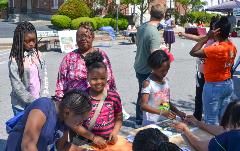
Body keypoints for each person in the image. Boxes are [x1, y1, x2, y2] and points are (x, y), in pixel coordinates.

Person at [6, 90, 92, 151]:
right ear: (67, 112)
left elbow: (62, 146)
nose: (81, 123)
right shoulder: (43, 107)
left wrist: (86, 150)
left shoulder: (65, 120)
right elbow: (28, 146)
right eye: (81, 119)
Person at [189, 16, 237, 125]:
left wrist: (207, 37)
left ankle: (212, 141)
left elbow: (193, 52)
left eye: (213, 29)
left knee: (210, 121)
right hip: (227, 84)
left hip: (214, 86)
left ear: (217, 32)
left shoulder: (216, 49)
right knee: (223, 119)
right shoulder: (232, 46)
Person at [71, 51, 123, 149]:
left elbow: (119, 117)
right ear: (88, 78)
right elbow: (75, 125)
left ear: (107, 77)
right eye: (94, 79)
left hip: (108, 144)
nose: (99, 82)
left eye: (102, 78)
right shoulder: (81, 98)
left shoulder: (113, 96)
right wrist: (94, 138)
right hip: (87, 143)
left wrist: (115, 132)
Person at [55, 22, 116, 100]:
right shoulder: (69, 58)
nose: (83, 39)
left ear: (93, 37)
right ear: (75, 38)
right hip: (75, 105)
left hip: (100, 103)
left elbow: (111, 82)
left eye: (86, 36)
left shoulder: (102, 55)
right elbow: (61, 84)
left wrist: (113, 100)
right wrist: (60, 103)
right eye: (80, 36)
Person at [178, 16, 219, 121]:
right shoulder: (209, 38)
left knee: (209, 99)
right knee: (199, 97)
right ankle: (197, 116)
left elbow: (194, 52)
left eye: (215, 29)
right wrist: (184, 34)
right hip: (201, 72)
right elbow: (197, 38)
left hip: (210, 75)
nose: (212, 31)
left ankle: (210, 121)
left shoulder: (219, 44)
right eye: (211, 28)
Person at [8, 21, 49, 116]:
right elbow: (17, 86)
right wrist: (33, 102)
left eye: (34, 40)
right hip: (22, 106)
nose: (31, 44)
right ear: (20, 40)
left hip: (40, 102)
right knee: (24, 131)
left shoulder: (38, 55)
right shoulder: (15, 60)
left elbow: (44, 77)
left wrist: (44, 97)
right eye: (27, 41)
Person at [134, 4, 165, 125]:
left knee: (141, 93)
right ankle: (143, 119)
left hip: (139, 65)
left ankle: (139, 118)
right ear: (163, 16)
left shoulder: (142, 27)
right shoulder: (154, 33)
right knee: (151, 95)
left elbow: (138, 44)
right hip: (148, 69)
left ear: (151, 13)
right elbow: (155, 57)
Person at [140, 50, 185, 126]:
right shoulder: (148, 83)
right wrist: (162, 112)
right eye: (162, 71)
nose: (165, 73)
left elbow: (165, 102)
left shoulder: (166, 81)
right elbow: (143, 105)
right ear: (153, 68)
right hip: (151, 123)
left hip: (164, 121)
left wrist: (178, 112)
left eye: (167, 70)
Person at [173, 100, 240, 151]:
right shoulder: (233, 133)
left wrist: (185, 129)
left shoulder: (231, 137)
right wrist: (198, 123)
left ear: (230, 118)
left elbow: (201, 146)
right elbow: (224, 130)